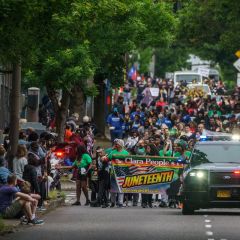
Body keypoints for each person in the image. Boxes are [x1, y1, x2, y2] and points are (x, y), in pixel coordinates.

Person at [107, 139, 129, 208]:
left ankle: (120, 203)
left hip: (122, 173)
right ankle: (113, 202)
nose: (116, 145)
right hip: (113, 173)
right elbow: (108, 158)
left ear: (121, 145)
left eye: (117, 143)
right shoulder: (112, 151)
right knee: (113, 189)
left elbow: (129, 161)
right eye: (115, 144)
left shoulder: (126, 153)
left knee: (121, 188)